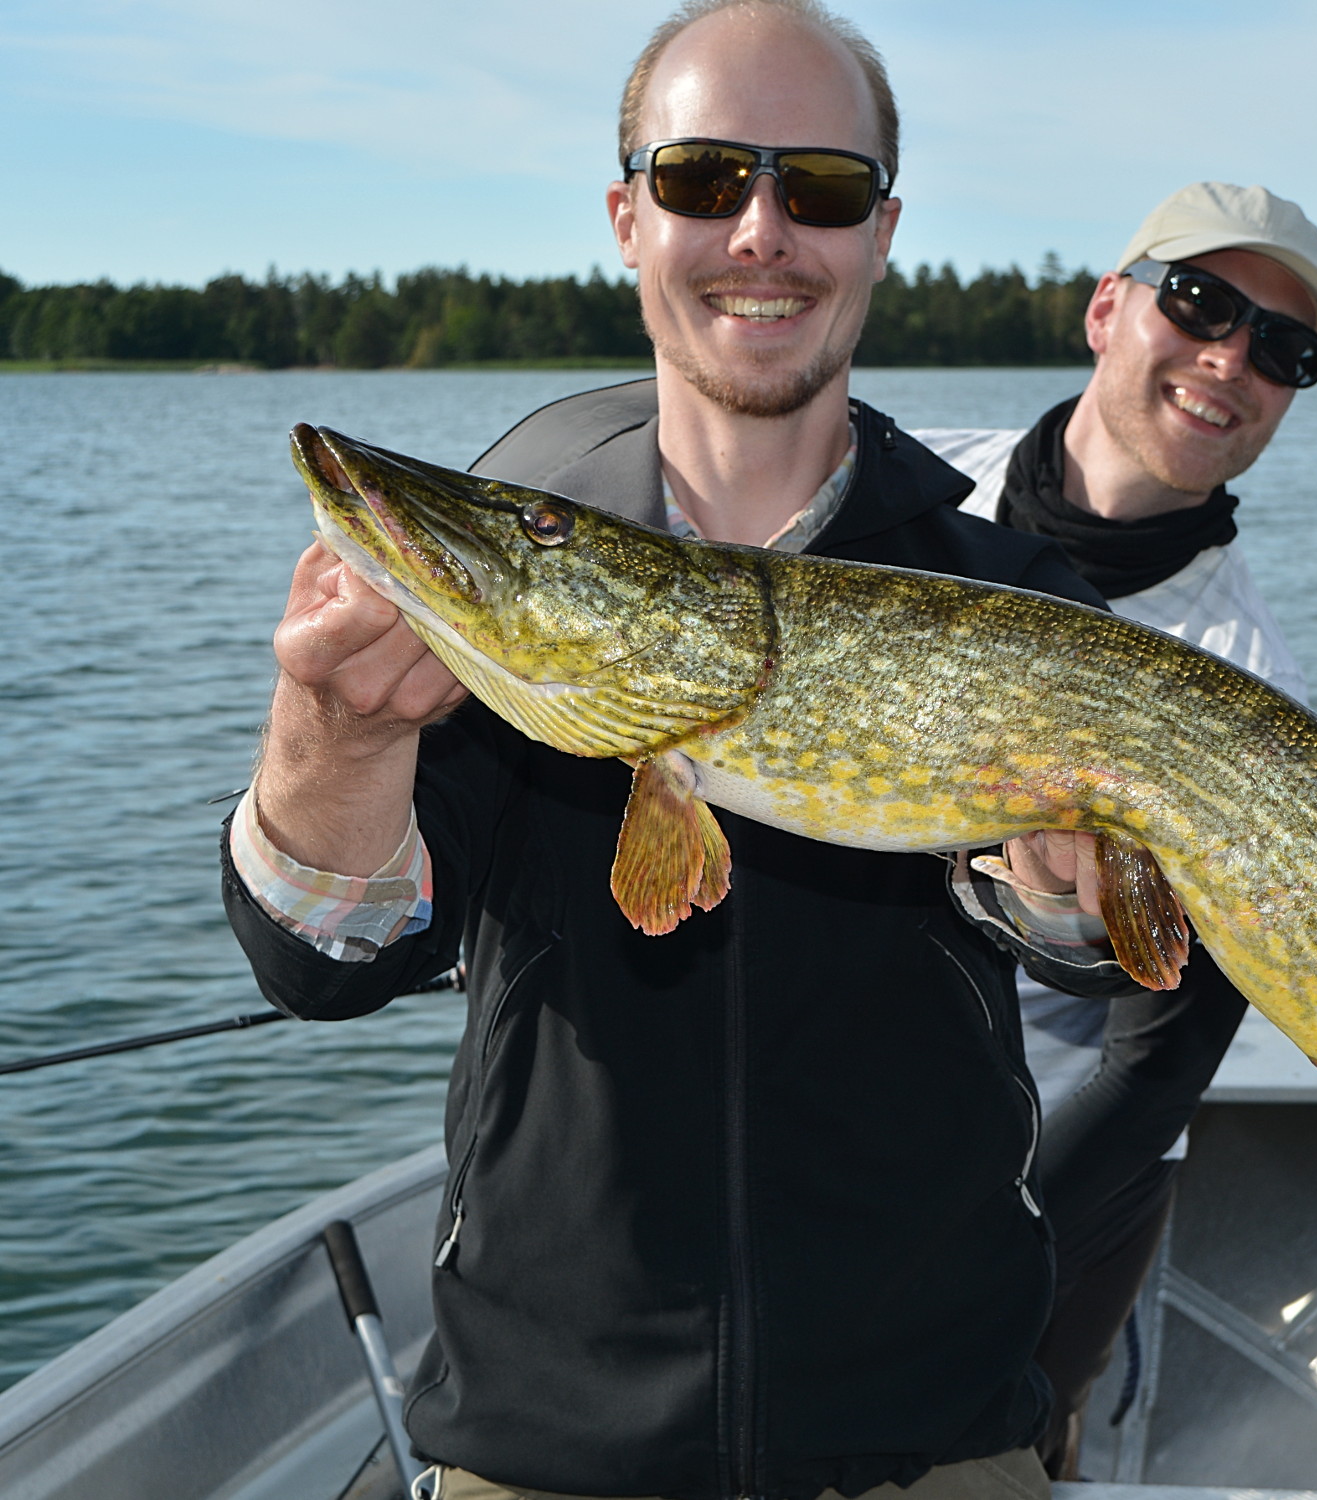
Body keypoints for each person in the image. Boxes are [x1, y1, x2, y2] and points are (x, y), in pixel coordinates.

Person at [222, 4, 1109, 1498]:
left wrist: (1074, 895)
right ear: (630, 217)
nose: (761, 231)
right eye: (705, 179)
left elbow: (1095, 959)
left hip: (936, 1434)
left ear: (881, 233)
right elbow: (325, 965)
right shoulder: (521, 539)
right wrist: (332, 731)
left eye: (819, 189)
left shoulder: (1008, 602)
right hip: (548, 1442)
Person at [915, 181, 1317, 1479]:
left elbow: (1161, 1059)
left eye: (1287, 350)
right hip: (841, 1127)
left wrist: (979, 1242)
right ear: (1108, 308)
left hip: (1069, 1174)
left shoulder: (1246, 684)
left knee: (1004, 1459)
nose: (1231, 359)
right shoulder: (899, 497)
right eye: (1203, 303)